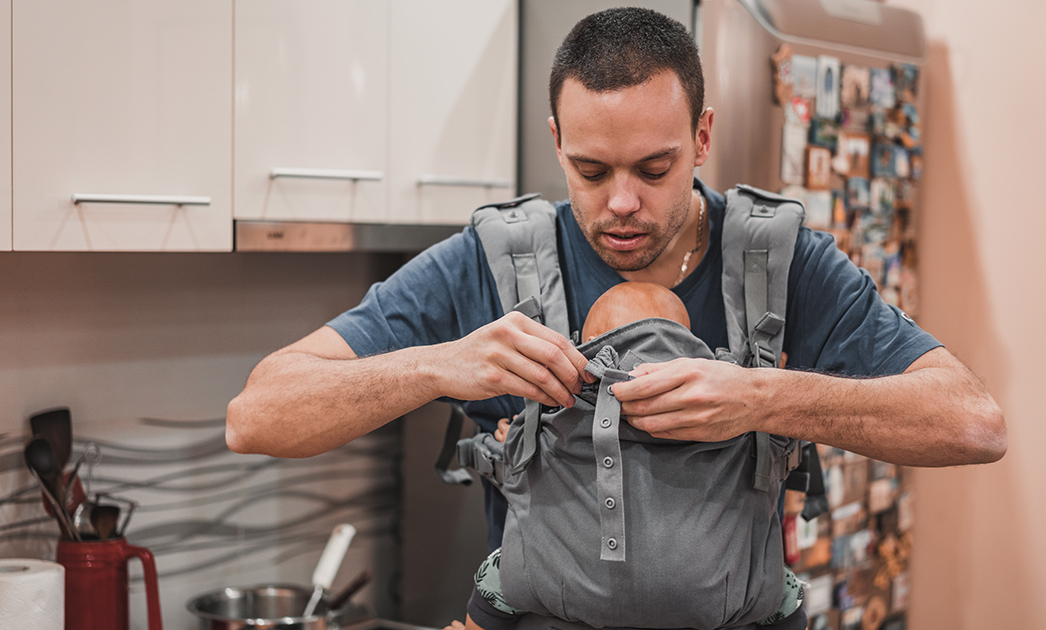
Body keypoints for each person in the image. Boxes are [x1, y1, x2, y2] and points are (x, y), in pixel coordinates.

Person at [226, 6, 1006, 627]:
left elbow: (971, 424)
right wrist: (437, 363)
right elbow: (256, 416)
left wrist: (760, 397)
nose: (622, 202)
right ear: (556, 142)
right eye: (591, 171)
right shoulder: (487, 262)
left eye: (654, 168)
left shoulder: (782, 264)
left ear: (702, 138)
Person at [463, 282, 804, 630]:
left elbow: (522, 451)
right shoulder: (721, 398)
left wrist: (512, 436)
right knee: (779, 590)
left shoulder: (562, 401)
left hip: (555, 578)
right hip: (721, 587)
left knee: (501, 577)